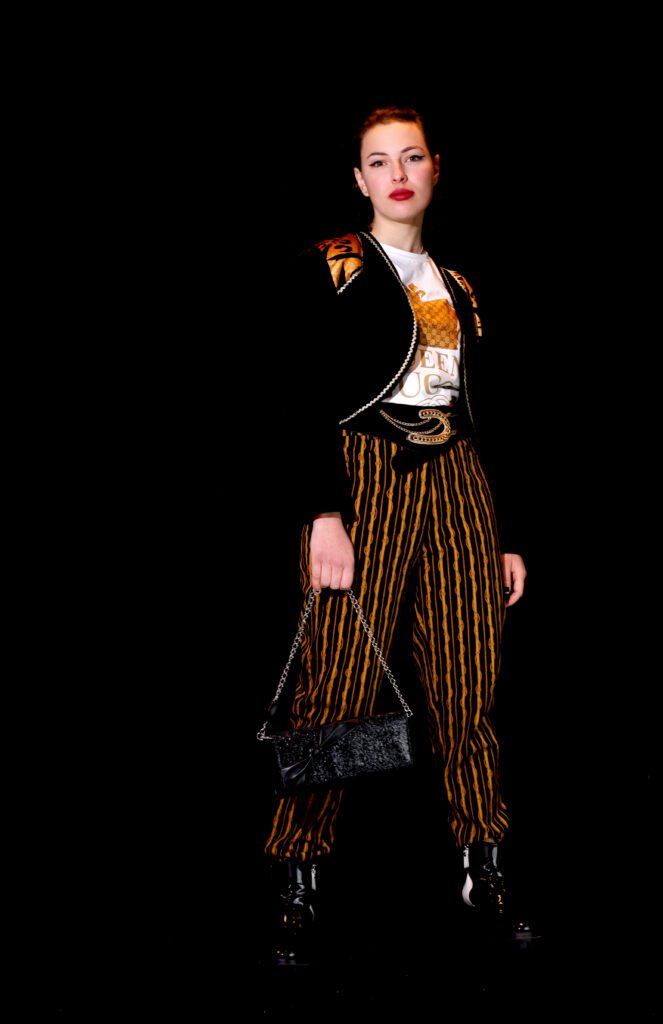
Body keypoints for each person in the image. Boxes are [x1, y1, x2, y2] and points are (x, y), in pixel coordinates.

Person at [262, 105, 527, 965]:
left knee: (467, 683)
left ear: (434, 167)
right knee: (336, 681)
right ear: (358, 179)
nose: (397, 174)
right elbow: (295, 392)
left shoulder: (462, 285)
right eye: (379, 161)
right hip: (363, 477)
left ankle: (482, 871)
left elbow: (487, 415)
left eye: (411, 157)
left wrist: (504, 533)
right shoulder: (331, 264)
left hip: (458, 481)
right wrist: (322, 513)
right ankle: (297, 880)